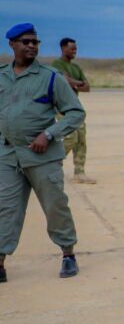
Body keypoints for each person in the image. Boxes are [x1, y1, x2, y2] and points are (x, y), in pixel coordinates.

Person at [0, 23, 85, 283]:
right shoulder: (2, 76)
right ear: (12, 44)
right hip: (8, 156)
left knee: (55, 206)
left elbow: (76, 112)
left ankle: (68, 254)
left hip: (42, 157)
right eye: (25, 41)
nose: (31, 46)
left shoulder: (50, 77)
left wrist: (48, 134)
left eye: (35, 42)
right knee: (5, 208)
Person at [51, 38, 94, 184]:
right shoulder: (57, 64)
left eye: (76, 49)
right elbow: (64, 81)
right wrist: (76, 83)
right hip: (61, 108)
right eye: (72, 49)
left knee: (81, 139)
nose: (74, 51)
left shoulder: (76, 67)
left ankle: (79, 172)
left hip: (75, 107)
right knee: (69, 138)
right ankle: (53, 163)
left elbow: (87, 87)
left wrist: (75, 83)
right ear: (63, 48)